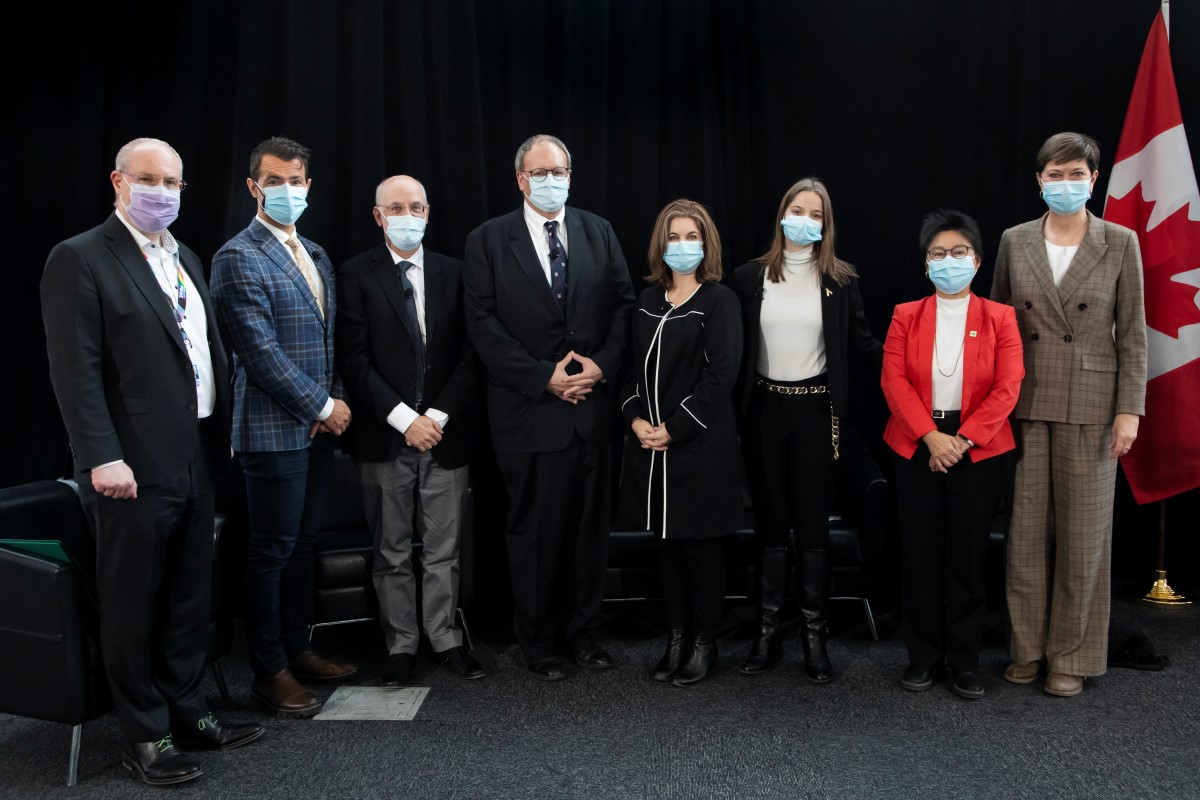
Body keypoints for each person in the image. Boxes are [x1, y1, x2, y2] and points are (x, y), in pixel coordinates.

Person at [40, 138, 262, 786]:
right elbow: (75, 371)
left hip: (191, 454)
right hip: (127, 467)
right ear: (118, 181)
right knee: (132, 603)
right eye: (149, 179)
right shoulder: (80, 258)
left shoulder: (184, 256)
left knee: (189, 597)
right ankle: (145, 734)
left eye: (173, 182)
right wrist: (101, 456)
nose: (161, 191)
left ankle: (190, 713)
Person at [463, 134, 636, 681]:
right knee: (534, 533)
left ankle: (583, 635)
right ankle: (537, 642)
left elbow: (625, 306)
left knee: (589, 536)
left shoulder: (598, 230)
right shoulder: (487, 240)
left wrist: (601, 366)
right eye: (541, 172)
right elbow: (482, 326)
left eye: (560, 169)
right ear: (520, 179)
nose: (552, 179)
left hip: (591, 414)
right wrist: (546, 378)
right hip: (528, 415)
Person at [991, 132, 1147, 698]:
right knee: (1026, 536)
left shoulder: (1120, 241)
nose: (1064, 183)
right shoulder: (1013, 241)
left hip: (1092, 404)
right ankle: (1028, 649)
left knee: (1083, 538)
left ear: (1093, 178)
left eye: (1075, 172)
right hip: (1027, 402)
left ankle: (1073, 657)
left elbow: (1132, 334)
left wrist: (1129, 409)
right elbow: (999, 328)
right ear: (1038, 180)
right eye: (1053, 174)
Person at [210, 136, 357, 718]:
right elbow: (258, 352)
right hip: (272, 430)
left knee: (303, 545)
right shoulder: (237, 256)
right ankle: (267, 671)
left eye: (296, 180)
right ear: (253, 186)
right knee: (270, 549)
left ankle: (299, 647)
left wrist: (334, 402)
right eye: (276, 180)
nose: (288, 190)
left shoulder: (317, 254)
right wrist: (324, 407)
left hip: (318, 427)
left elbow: (330, 343)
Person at [336, 175, 486, 686]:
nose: (408, 214)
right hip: (384, 437)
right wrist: (405, 420)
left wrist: (435, 418)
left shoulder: (456, 272)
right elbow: (354, 362)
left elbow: (473, 354)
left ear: (428, 212)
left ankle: (445, 638)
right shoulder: (355, 274)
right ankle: (401, 644)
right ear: (378, 215)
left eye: (416, 206)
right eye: (396, 207)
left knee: (444, 550)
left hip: (445, 435)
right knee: (391, 551)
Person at [731, 176, 882, 683]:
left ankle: (814, 638)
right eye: (798, 209)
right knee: (771, 528)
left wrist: (920, 364)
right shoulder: (749, 277)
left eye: (816, 214)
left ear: (826, 223)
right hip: (764, 414)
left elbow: (864, 347)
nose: (805, 220)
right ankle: (768, 633)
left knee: (813, 531)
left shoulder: (840, 280)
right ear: (781, 214)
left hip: (818, 413)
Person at [881, 209, 1024, 700]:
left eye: (958, 252)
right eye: (938, 254)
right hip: (916, 443)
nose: (949, 261)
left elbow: (1009, 387)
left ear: (977, 260)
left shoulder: (1000, 317)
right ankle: (923, 657)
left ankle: (965, 661)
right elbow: (893, 381)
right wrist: (930, 437)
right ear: (926, 265)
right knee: (920, 556)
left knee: (966, 557)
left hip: (977, 448)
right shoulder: (906, 314)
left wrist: (961, 440)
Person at [617, 199, 743, 687]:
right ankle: (676, 637)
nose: (683, 246)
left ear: (706, 243)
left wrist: (674, 427)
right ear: (660, 244)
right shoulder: (646, 301)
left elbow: (722, 376)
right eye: (675, 237)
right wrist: (634, 421)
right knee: (666, 547)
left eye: (693, 237)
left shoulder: (720, 300)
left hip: (699, 447)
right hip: (651, 449)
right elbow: (629, 371)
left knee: (701, 549)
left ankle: (704, 643)